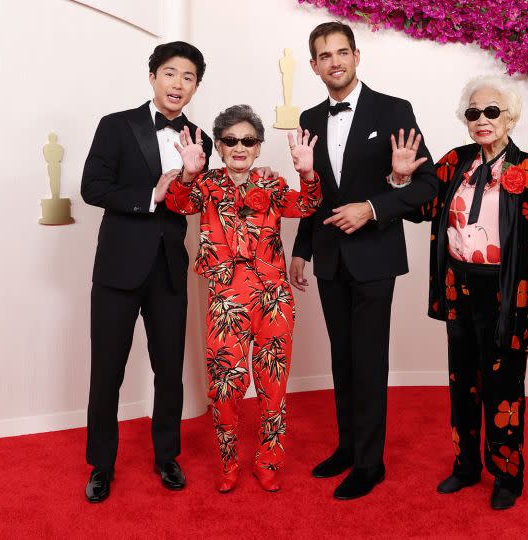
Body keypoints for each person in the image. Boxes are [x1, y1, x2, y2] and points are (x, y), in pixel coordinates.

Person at [288, 21, 438, 500]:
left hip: (375, 255)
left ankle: (371, 465)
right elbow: (313, 194)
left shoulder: (394, 110)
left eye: (341, 52)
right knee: (342, 359)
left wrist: (376, 204)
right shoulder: (308, 118)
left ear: (356, 56)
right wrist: (301, 248)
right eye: (324, 55)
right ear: (314, 66)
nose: (334, 61)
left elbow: (426, 184)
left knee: (368, 361)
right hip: (329, 257)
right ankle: (348, 448)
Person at [407, 75, 528, 510]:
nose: (482, 119)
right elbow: (422, 208)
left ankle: (506, 474)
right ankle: (465, 466)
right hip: (458, 285)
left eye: (492, 111)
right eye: (473, 112)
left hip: (507, 290)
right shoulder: (454, 162)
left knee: (503, 385)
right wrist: (403, 177)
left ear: (510, 117)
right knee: (462, 382)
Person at [156, 106, 322, 493]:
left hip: (273, 297)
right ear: (218, 146)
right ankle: (229, 461)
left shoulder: (273, 185)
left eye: (248, 140)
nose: (239, 147)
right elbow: (177, 203)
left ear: (259, 147)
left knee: (273, 386)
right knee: (226, 387)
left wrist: (307, 172)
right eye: (230, 141)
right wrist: (189, 172)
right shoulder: (206, 184)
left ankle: (269, 461)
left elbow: (308, 205)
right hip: (225, 301)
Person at [80, 41, 214, 503]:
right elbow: (92, 187)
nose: (179, 84)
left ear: (197, 86)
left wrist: (194, 181)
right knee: (107, 370)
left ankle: (167, 456)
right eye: (171, 74)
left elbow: (196, 204)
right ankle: (101, 464)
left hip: (170, 269)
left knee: (169, 370)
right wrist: (150, 195)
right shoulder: (116, 126)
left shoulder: (201, 138)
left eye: (189, 77)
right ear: (153, 76)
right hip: (118, 267)